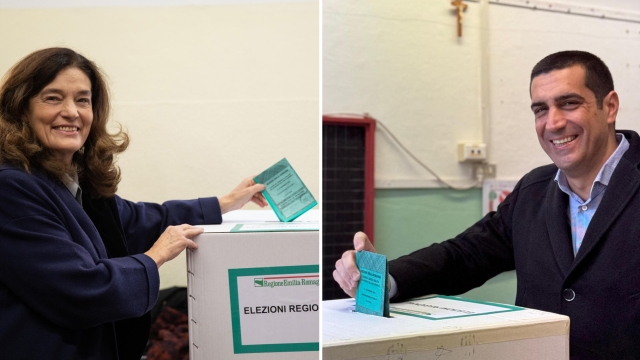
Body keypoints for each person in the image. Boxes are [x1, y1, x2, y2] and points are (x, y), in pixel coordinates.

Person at [334, 50, 640, 359]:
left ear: (609, 106)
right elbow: (465, 255)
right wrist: (385, 278)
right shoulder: (534, 191)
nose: (554, 122)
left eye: (569, 103)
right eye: (540, 109)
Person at [0, 47, 267, 359]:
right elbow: (80, 289)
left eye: (83, 100)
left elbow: (140, 220)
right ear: (20, 109)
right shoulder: (11, 187)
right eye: (53, 98)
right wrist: (154, 258)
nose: (72, 111)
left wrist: (226, 202)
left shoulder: (69, 181)